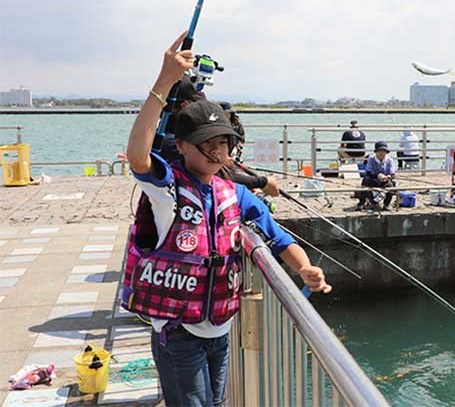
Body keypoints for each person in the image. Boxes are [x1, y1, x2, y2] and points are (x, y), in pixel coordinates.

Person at [124, 32, 331, 407]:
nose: (217, 151)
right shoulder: (167, 186)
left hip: (220, 327)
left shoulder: (235, 193)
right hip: (178, 328)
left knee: (216, 403)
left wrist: (305, 269)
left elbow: (277, 237)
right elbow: (138, 155)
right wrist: (163, 80)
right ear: (182, 146)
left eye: (224, 143)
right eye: (207, 143)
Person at [356, 141, 396, 211]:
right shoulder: (371, 158)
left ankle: (386, 204)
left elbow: (393, 173)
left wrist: (388, 177)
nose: (381, 153)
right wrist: (378, 176)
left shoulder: (390, 160)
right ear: (376, 152)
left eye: (383, 151)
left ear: (386, 152)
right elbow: (368, 171)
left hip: (385, 180)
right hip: (374, 179)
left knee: (392, 185)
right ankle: (361, 203)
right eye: (379, 151)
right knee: (365, 181)